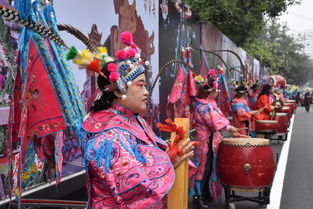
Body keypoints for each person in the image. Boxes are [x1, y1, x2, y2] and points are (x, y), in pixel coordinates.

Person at [77, 32, 194, 209]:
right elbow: (130, 182)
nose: (147, 92)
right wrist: (167, 160)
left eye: (146, 85)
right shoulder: (108, 134)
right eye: (140, 85)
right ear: (118, 91)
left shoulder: (134, 120)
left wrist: (171, 151)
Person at [191, 70, 240, 208]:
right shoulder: (203, 106)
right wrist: (229, 128)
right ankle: (197, 196)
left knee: (210, 168)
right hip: (204, 142)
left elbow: (219, 118)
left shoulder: (210, 104)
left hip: (212, 140)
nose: (218, 91)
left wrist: (229, 127)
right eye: (216, 89)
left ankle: (205, 193)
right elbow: (214, 121)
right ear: (209, 92)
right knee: (202, 169)